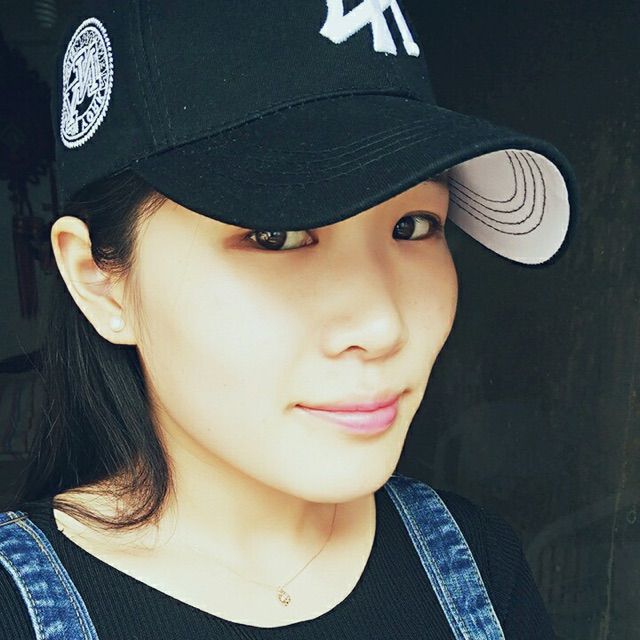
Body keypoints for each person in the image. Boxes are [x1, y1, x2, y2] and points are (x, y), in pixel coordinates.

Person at [0, 1, 577, 638]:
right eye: (276, 236)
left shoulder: (478, 565)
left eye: (414, 226)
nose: (384, 327)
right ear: (100, 282)